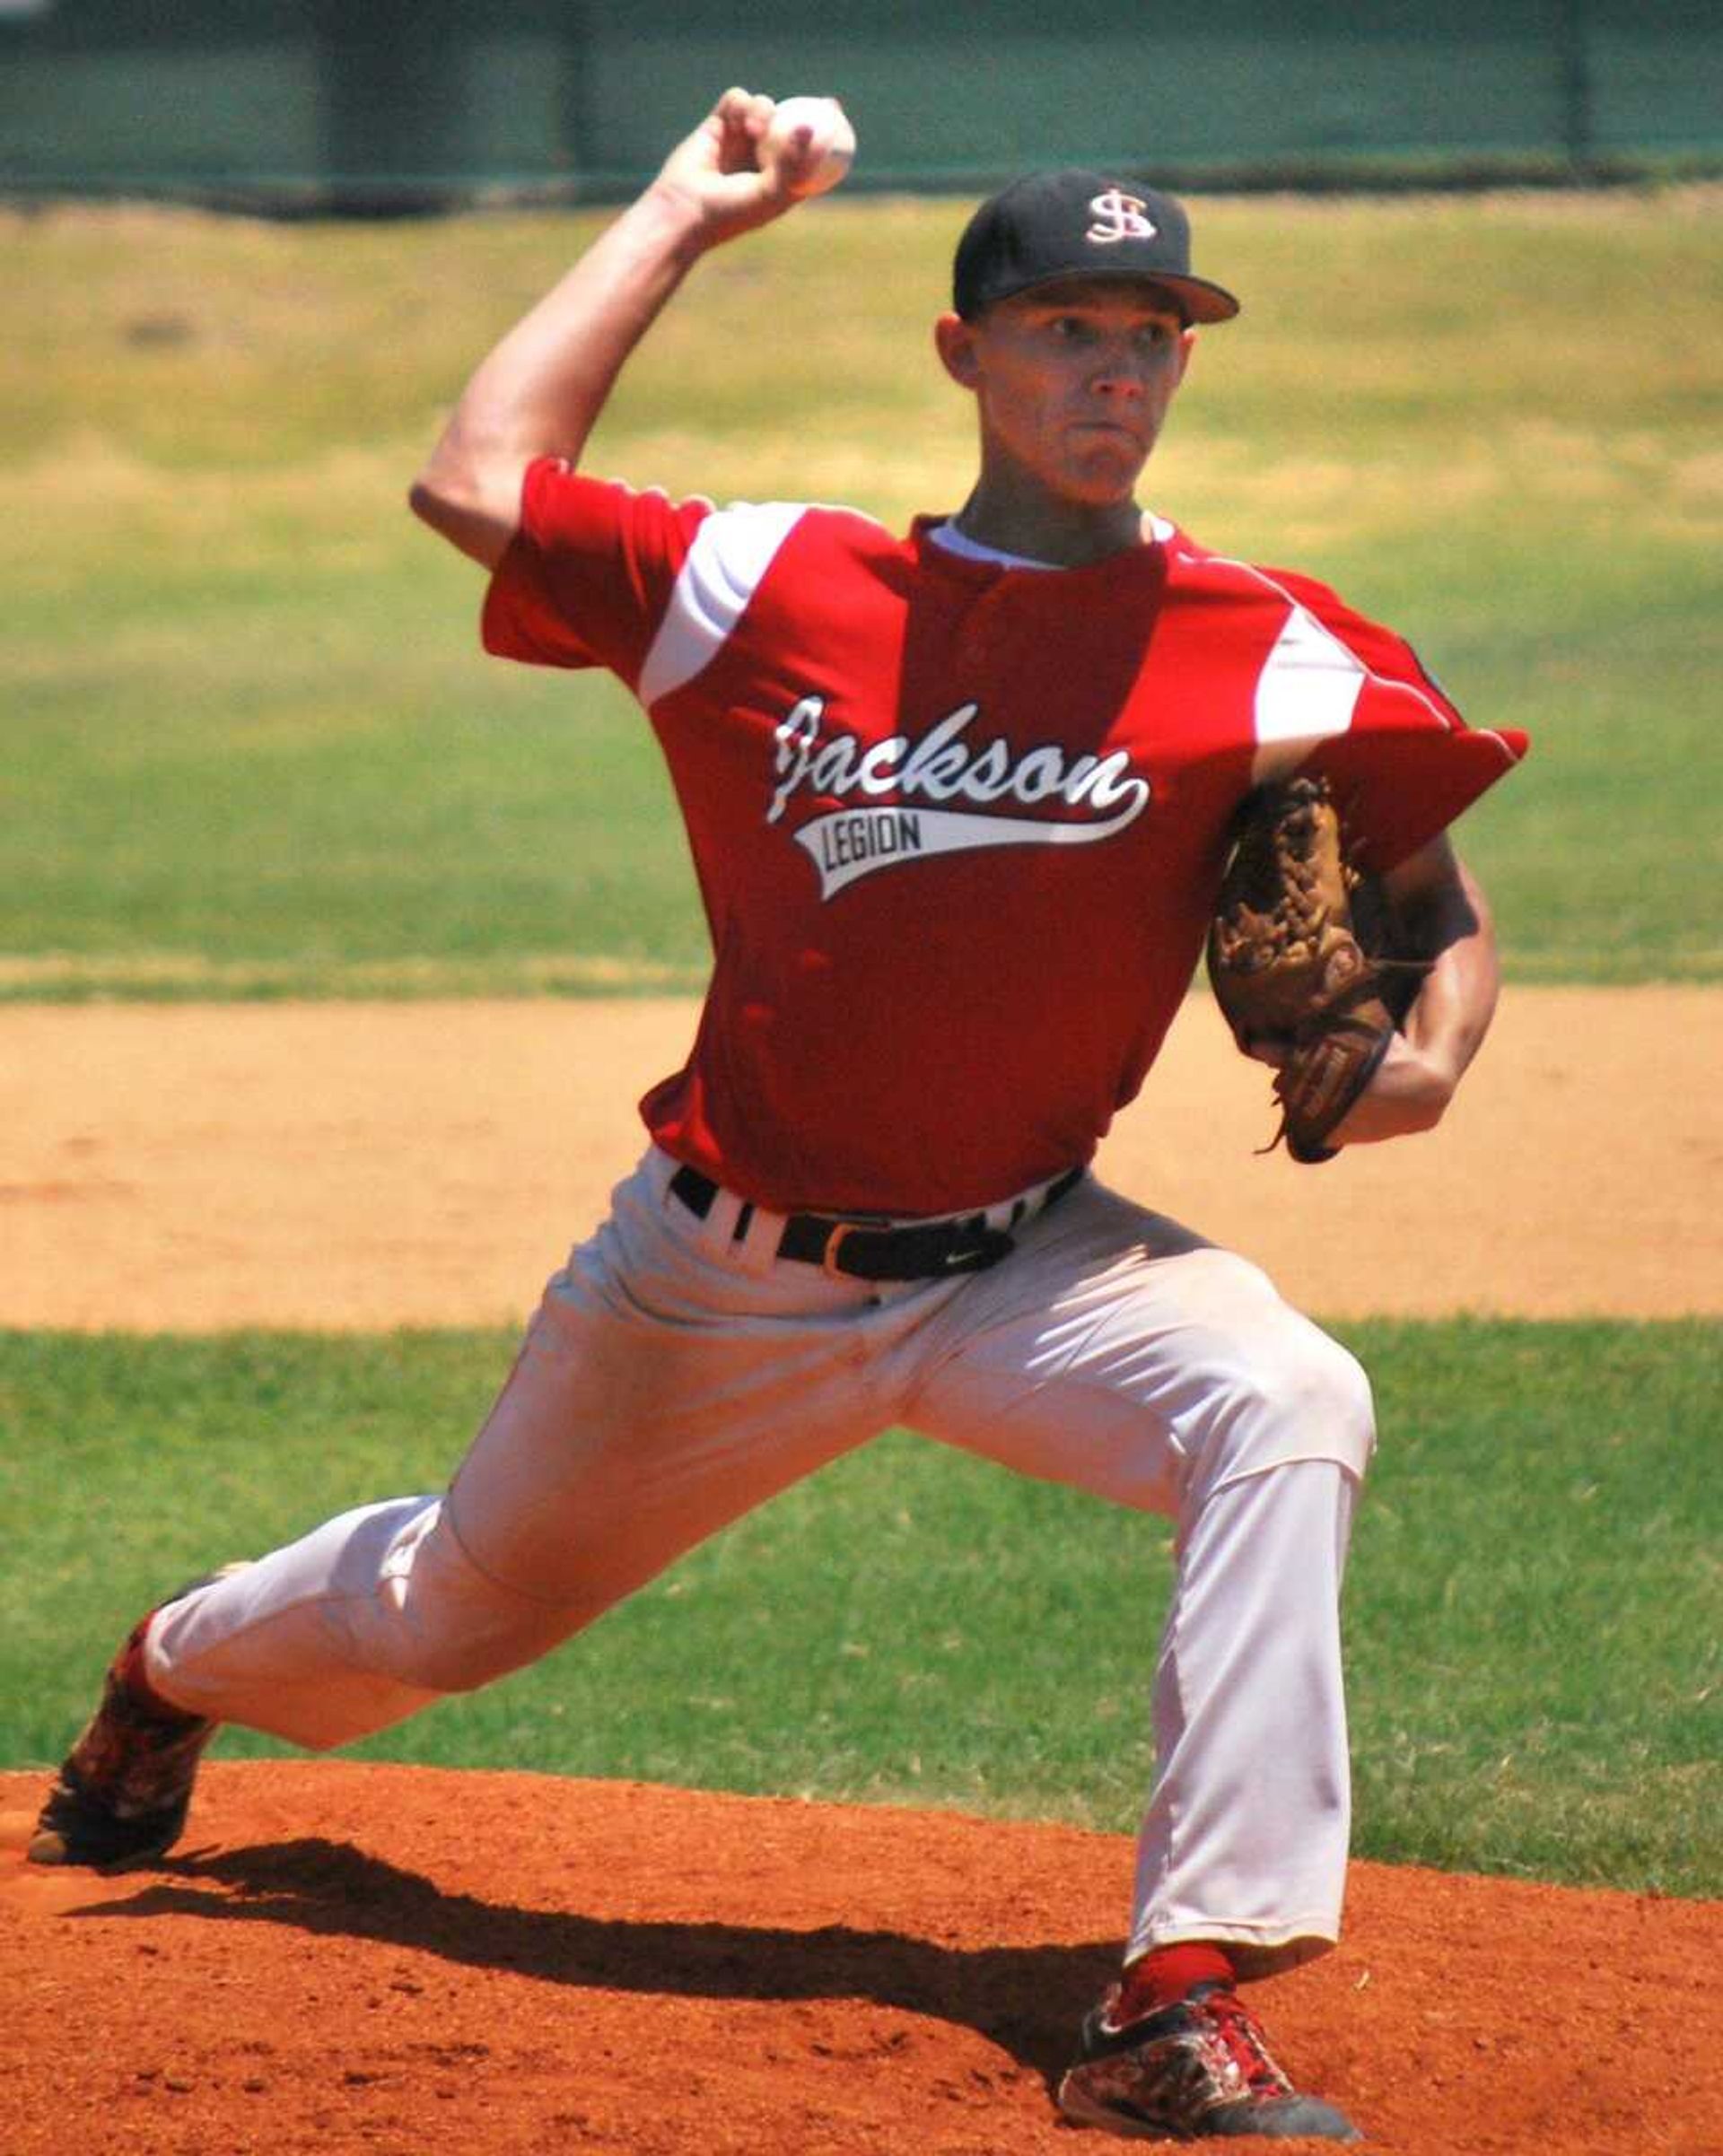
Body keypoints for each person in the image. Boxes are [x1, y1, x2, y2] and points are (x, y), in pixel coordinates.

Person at [30, 90, 1526, 2143]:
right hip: (716, 1273)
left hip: (1032, 1255)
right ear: (965, 355)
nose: (1115, 367)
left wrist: (1431, 1052)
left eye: (1153, 332)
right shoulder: (766, 590)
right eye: (1070, 326)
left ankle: (1173, 1997)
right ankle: (172, 1672)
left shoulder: (1272, 641)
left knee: (1286, 1396)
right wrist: (685, 213)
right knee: (440, 1614)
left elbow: (1435, 897)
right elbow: (473, 477)